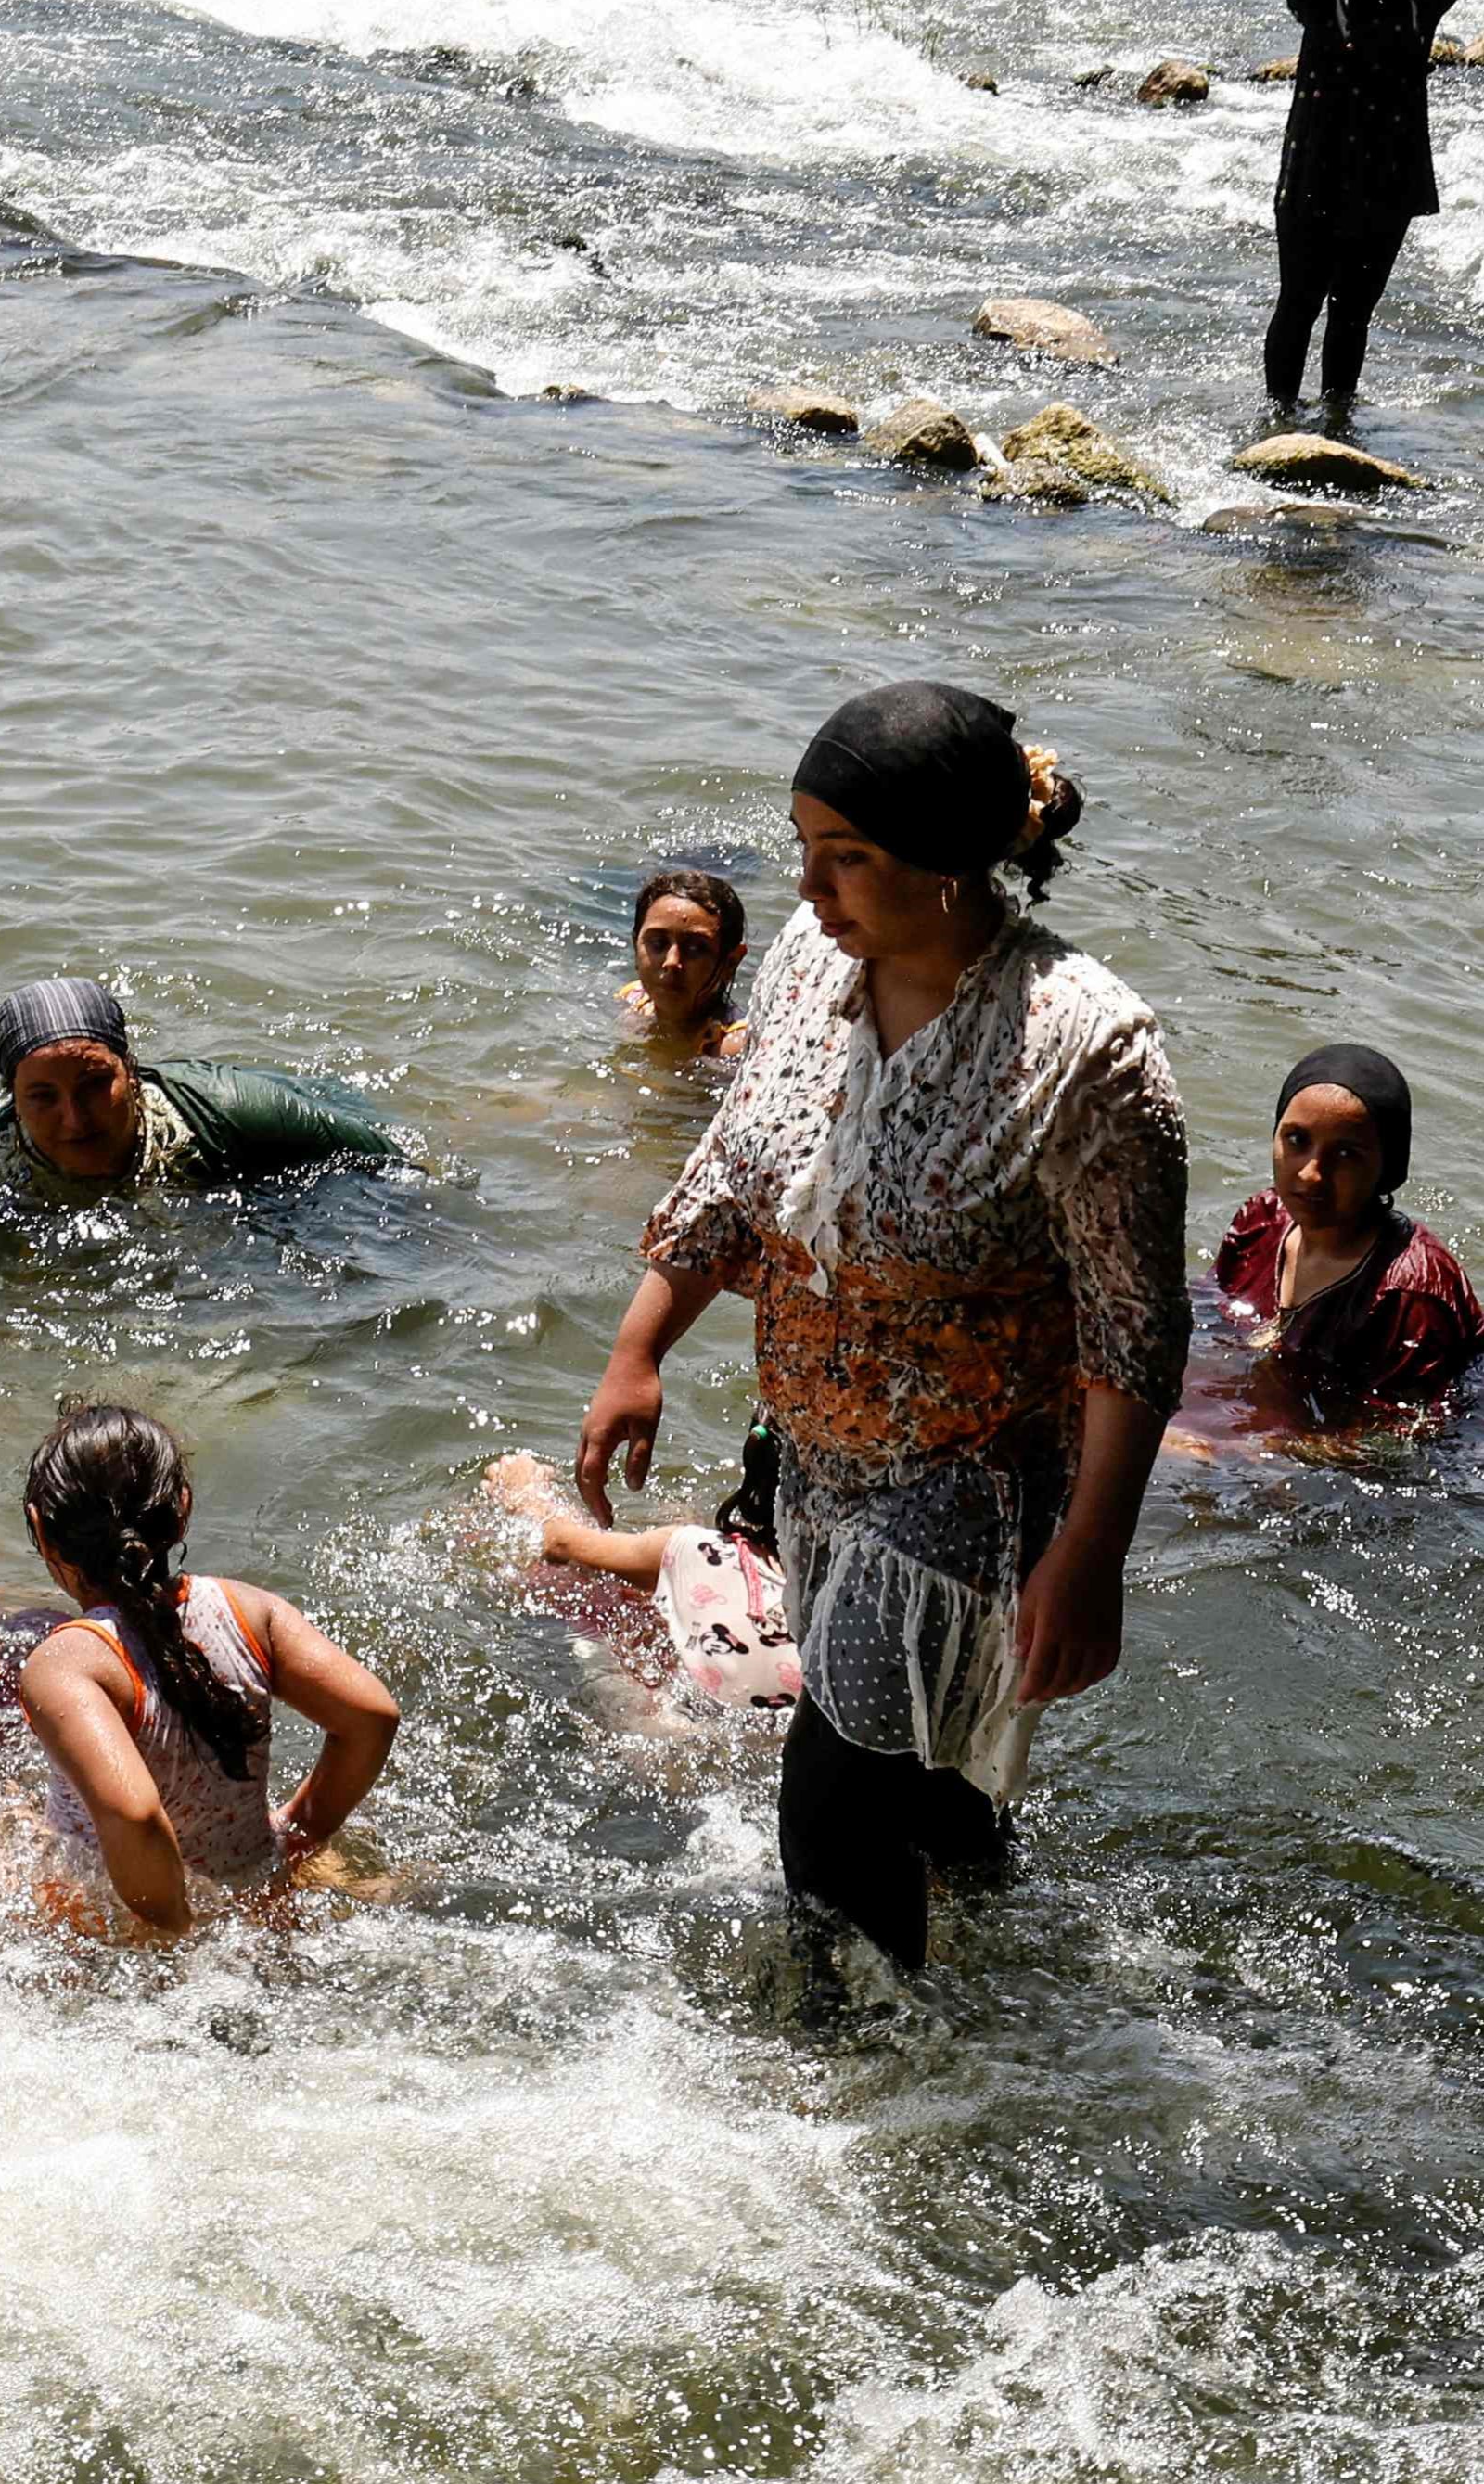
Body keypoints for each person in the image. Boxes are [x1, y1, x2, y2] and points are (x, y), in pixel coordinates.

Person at [580, 683, 1186, 1973]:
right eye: (801, 847)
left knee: (831, 1793)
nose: (806, 887)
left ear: (954, 863)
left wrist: (1088, 1554)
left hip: (967, 1479)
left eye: (845, 857)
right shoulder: (811, 963)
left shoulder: (1084, 1048)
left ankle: (847, 2075)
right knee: (927, 1785)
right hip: (808, 1454)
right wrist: (638, 1350)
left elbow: (1135, 1333)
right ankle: (999, 2003)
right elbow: (730, 1169)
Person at [11, 1402, 399, 1939]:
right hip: (253, 1892)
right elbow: (371, 1717)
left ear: (42, 1531)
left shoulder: (70, 1663)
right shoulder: (249, 1612)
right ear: (182, 1509)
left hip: (125, 1928)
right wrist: (299, 1832)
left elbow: (137, 1817)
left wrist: (176, 1931)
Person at [1262, 0, 1484, 416]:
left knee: (1353, 313)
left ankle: (1338, 423)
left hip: (1387, 179)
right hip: (1315, 171)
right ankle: (1279, 421)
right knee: (1299, 303)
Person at [1202, 1042, 1479, 1432]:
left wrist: (1228, 1449)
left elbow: (1394, 1445)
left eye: (1346, 1154)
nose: (1311, 1174)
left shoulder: (1409, 1296)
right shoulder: (1261, 1222)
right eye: (1297, 1140)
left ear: (1388, 1166)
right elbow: (1207, 1318)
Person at [0, 980, 403, 1210]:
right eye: (43, 1097)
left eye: (94, 1085)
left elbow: (396, 1166)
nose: (75, 1120)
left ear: (129, 1070)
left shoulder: (235, 1110)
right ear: (12, 1099)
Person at [482, 1421, 802, 1712]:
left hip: (666, 1721)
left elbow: (559, 1542)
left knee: (589, 1586)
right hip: (791, 1726)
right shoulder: (841, 1587)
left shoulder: (695, 1548)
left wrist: (524, 1488)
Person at [623, 866, 750, 1064]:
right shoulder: (632, 999)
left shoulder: (732, 1047)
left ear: (731, 962)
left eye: (695, 949)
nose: (672, 961)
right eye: (657, 944)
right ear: (635, 945)